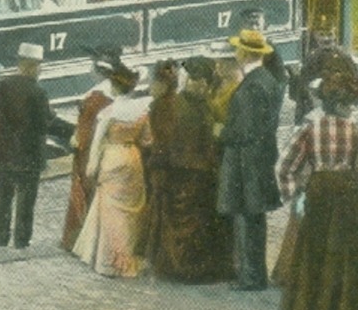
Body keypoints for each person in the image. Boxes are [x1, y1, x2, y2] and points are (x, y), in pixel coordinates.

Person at [276, 60, 358, 310]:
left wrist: (294, 194)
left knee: (315, 254)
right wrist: (357, 194)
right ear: (344, 104)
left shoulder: (310, 129)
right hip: (349, 196)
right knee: (345, 257)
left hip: (319, 191)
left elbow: (284, 166)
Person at [146, 58, 232, 283]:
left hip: (202, 175)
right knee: (185, 221)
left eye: (203, 82)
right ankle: (182, 268)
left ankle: (198, 268)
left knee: (200, 223)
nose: (199, 86)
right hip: (182, 174)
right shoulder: (178, 106)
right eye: (195, 80)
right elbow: (165, 143)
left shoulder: (206, 105)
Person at [0, 42, 73, 249]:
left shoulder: (0, 85)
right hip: (28, 155)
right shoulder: (37, 92)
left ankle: (1, 239)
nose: (40, 70)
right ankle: (21, 241)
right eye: (39, 66)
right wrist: (71, 132)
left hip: (2, 153)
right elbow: (45, 124)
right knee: (26, 199)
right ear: (32, 66)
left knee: (3, 197)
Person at [71, 57, 152, 276]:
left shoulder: (107, 113)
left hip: (112, 157)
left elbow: (97, 144)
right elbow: (147, 140)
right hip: (132, 159)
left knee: (109, 210)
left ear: (114, 88)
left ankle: (106, 259)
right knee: (130, 212)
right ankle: (126, 257)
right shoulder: (143, 110)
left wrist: (91, 168)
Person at [217, 28, 284, 290]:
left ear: (245, 53)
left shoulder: (253, 85)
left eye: (237, 50)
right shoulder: (266, 80)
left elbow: (245, 130)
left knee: (247, 218)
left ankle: (251, 276)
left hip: (247, 162)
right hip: (258, 159)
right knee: (253, 218)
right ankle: (253, 274)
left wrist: (221, 132)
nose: (235, 53)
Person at [61, 48, 127, 251]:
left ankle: (80, 239)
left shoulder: (95, 97)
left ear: (98, 70)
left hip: (89, 151)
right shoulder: (115, 92)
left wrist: (76, 140)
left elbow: (86, 128)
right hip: (109, 149)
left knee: (84, 191)